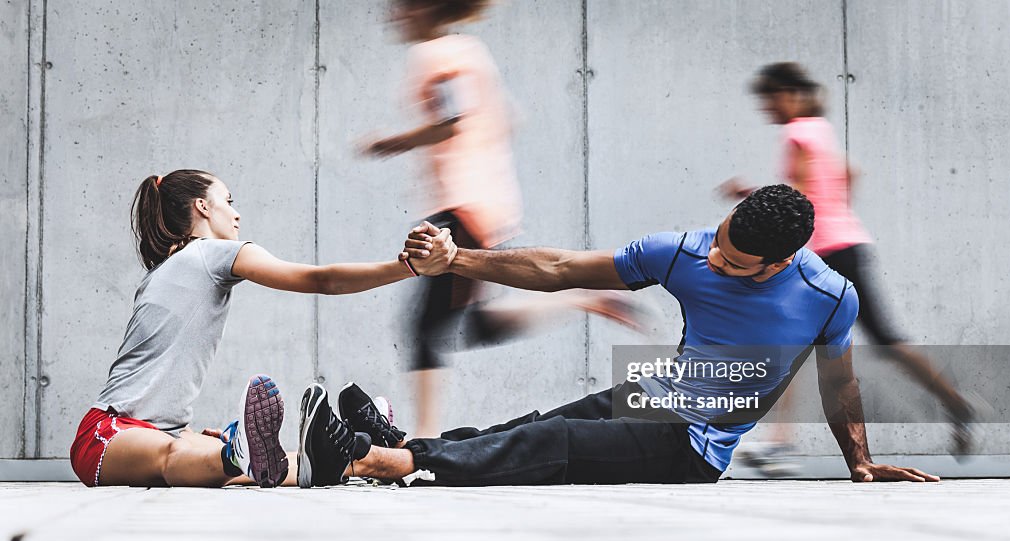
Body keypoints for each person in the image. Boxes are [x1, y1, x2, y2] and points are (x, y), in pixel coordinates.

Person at [295, 185, 940, 486]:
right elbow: (559, 267)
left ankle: (371, 460)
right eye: (719, 242)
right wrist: (457, 260)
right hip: (650, 398)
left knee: (555, 442)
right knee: (531, 424)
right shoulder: (684, 252)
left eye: (735, 264)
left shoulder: (828, 296)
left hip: (694, 446)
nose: (714, 261)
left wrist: (860, 462)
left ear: (780, 263)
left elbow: (840, 382)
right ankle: (408, 443)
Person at [68, 169, 455, 488]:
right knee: (186, 459)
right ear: (203, 206)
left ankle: (355, 453)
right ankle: (240, 454)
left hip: (164, 432)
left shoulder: (167, 268)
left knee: (253, 468)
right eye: (228, 200)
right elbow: (322, 280)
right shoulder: (210, 253)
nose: (236, 214)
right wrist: (407, 267)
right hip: (108, 433)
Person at [364, 0, 636, 437]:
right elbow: (509, 117)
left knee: (427, 327)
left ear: (426, 9)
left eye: (402, 8)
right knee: (463, 323)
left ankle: (424, 444)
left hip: (462, 206)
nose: (394, 17)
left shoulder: (436, 55)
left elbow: (451, 119)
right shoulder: (470, 51)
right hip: (486, 204)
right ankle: (583, 300)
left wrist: (391, 143)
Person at [720, 63, 976, 471]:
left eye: (768, 99)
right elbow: (849, 174)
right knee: (884, 340)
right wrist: (838, 214)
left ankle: (779, 444)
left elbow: (798, 196)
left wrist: (748, 194)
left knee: (786, 339)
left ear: (788, 93)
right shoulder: (820, 130)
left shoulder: (797, 133)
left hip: (822, 251)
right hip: (848, 244)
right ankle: (956, 401)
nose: (766, 109)